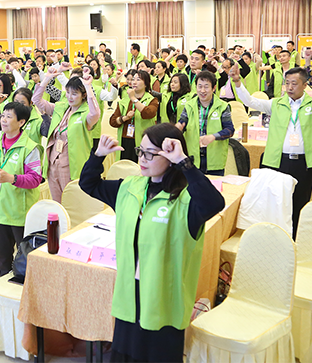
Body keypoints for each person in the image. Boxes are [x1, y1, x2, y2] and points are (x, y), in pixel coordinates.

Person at [80, 127, 225, 363]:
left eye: (150, 154)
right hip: (130, 293)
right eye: (141, 151)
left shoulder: (186, 199)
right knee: (125, 355)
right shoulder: (130, 188)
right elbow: (89, 184)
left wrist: (183, 162)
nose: (142, 159)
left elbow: (214, 203)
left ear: (169, 156)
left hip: (163, 299)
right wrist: (98, 156)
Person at [228, 56, 312, 236]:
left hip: (304, 163)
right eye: (287, 83)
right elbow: (250, 101)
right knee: (277, 203)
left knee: (300, 201)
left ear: (304, 85)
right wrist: (237, 82)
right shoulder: (276, 104)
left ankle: (295, 238)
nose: (289, 87)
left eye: (294, 83)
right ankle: (276, 237)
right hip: (279, 161)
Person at [0, 102, 44, 276]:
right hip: (0, 211)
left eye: (9, 116)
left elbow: (35, 179)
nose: (3, 120)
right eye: (2, 115)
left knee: (24, 260)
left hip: (20, 212)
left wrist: (12, 178)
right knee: (3, 259)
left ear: (21, 122)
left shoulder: (30, 148)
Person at [32, 64, 101, 202]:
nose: (69, 97)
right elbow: (36, 100)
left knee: (71, 203)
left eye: (74, 94)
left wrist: (88, 86)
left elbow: (95, 113)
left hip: (71, 165)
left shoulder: (85, 113)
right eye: (68, 92)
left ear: (83, 95)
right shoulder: (61, 108)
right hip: (52, 163)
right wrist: (46, 78)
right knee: (57, 202)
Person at [177, 71, 234, 176]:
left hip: (215, 160)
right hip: (193, 159)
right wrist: (178, 127)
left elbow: (230, 130)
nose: (202, 90)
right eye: (200, 86)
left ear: (213, 88)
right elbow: (182, 122)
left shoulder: (223, 106)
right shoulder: (189, 106)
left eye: (206, 87)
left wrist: (213, 136)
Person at [110, 70, 159, 162]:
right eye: (133, 79)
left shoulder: (152, 100)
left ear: (146, 84)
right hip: (124, 140)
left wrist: (133, 98)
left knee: (140, 167)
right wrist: (125, 118)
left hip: (142, 141)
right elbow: (113, 122)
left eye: (138, 79)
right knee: (124, 166)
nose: (134, 82)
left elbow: (148, 113)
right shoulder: (124, 101)